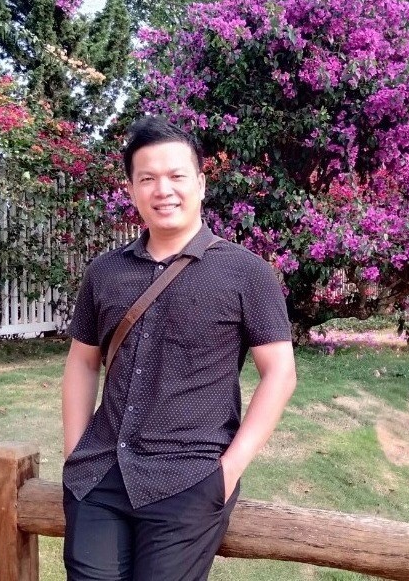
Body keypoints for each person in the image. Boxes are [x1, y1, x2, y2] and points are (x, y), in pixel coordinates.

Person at [61, 116, 297, 581]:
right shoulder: (105, 272)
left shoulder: (246, 272)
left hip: (189, 479)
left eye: (176, 176)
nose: (162, 190)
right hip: (100, 476)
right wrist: (75, 454)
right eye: (147, 178)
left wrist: (227, 473)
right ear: (131, 189)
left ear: (201, 184)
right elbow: (82, 362)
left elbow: (280, 373)